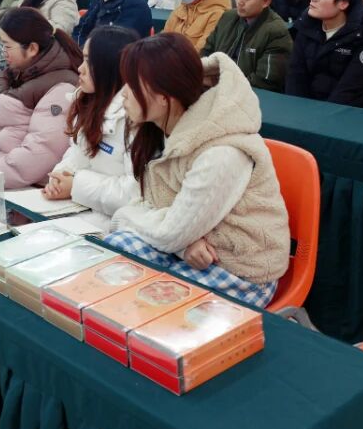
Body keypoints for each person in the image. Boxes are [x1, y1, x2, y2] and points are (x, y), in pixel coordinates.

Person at [103, 34, 290, 308]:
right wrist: (182, 245)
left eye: (132, 84)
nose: (123, 94)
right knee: (111, 257)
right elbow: (153, 211)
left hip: (238, 268)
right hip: (187, 245)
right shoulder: (158, 129)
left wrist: (126, 217)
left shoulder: (221, 153)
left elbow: (169, 232)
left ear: (163, 96)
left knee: (146, 306)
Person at [0, 8, 84, 187]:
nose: (3, 52)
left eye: (7, 46)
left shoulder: (62, 87)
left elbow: (41, 150)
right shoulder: (12, 75)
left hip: (23, 187)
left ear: (32, 48)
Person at [43, 26, 144, 214]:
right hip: (80, 209)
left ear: (110, 67)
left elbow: (135, 193)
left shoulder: (134, 119)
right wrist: (59, 178)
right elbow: (76, 155)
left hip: (113, 221)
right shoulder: (87, 102)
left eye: (89, 62)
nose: (80, 69)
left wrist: (75, 185)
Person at [201, 0, 292, 92]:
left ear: (266, 2)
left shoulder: (276, 32)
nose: (239, 1)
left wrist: (218, 84)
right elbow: (206, 53)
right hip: (213, 90)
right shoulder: (228, 17)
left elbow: (264, 83)